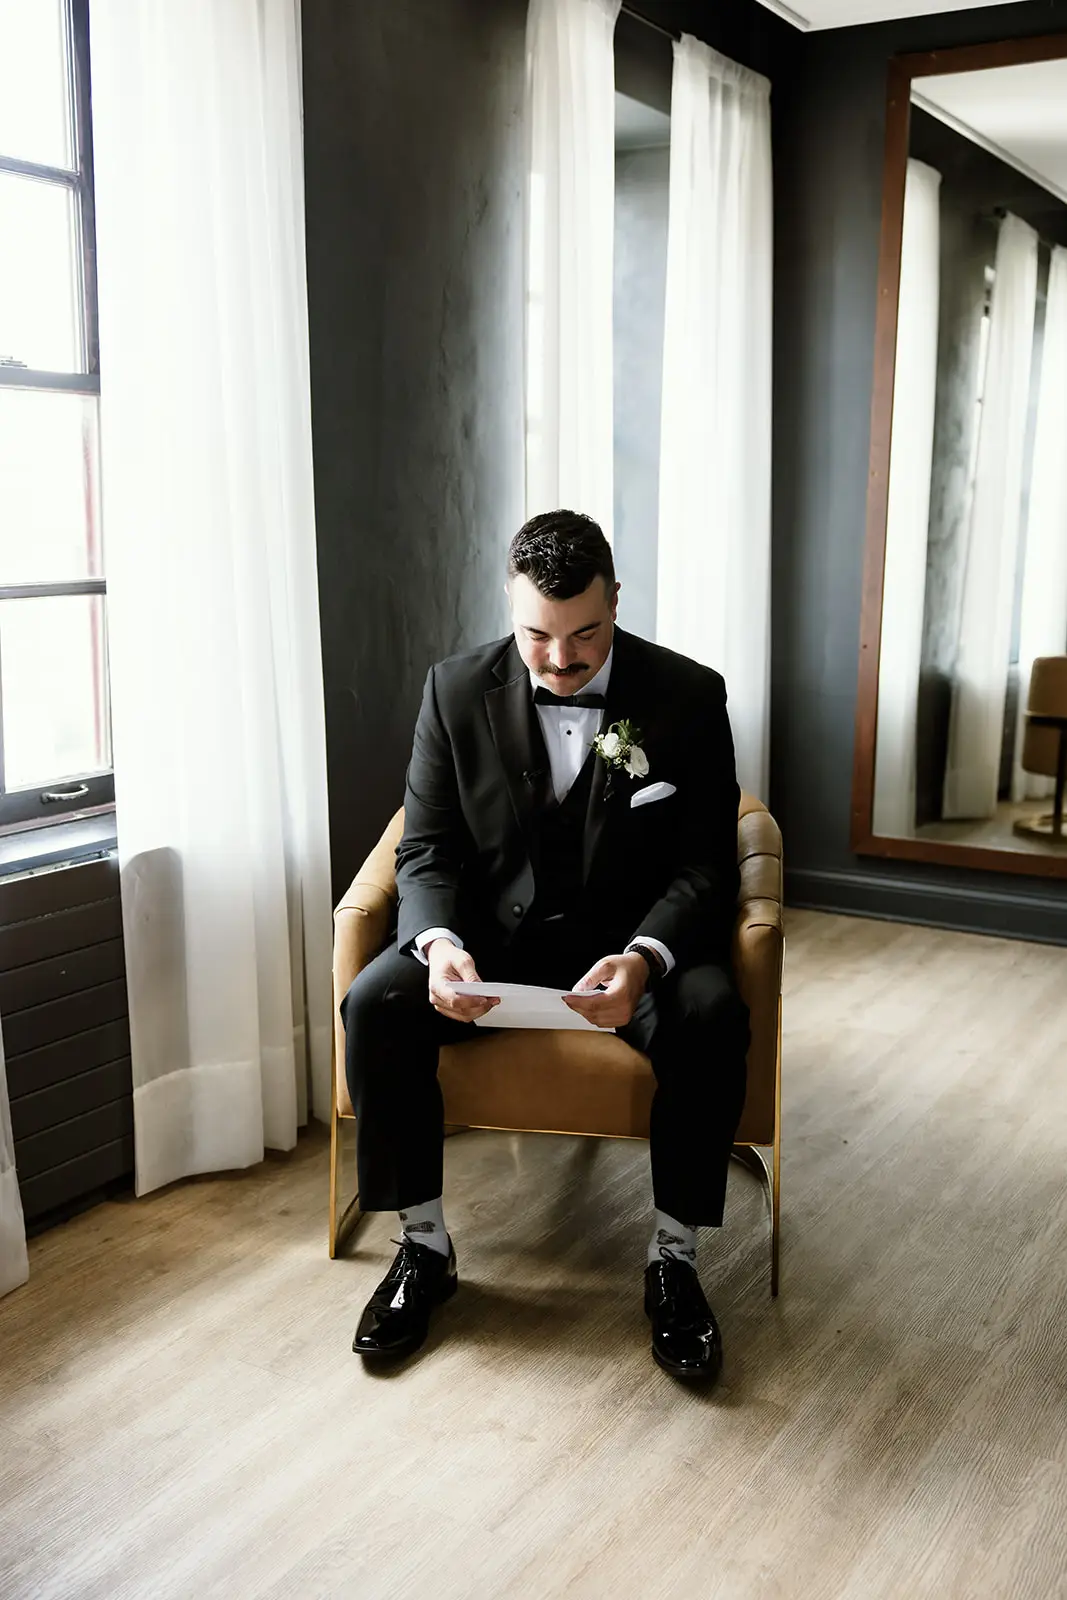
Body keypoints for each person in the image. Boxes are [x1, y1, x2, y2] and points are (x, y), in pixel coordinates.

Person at [341, 509, 749, 1382]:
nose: (561, 661)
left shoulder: (688, 695)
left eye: (585, 636)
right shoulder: (452, 690)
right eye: (537, 636)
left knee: (711, 1010)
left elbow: (707, 867)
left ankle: (673, 1260)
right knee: (377, 999)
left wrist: (643, 957)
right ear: (508, 606)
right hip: (493, 944)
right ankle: (423, 1248)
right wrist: (440, 945)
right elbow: (427, 847)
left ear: (614, 601)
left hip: (630, 946)